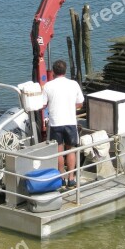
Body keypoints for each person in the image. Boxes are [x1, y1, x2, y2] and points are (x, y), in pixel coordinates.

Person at [42, 59, 84, 189]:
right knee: (70, 150)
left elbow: (43, 104)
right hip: (70, 122)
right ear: (65, 71)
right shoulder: (74, 84)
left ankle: (61, 177)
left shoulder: (48, 86)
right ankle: (71, 179)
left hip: (55, 123)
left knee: (59, 152)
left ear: (53, 72)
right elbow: (80, 103)